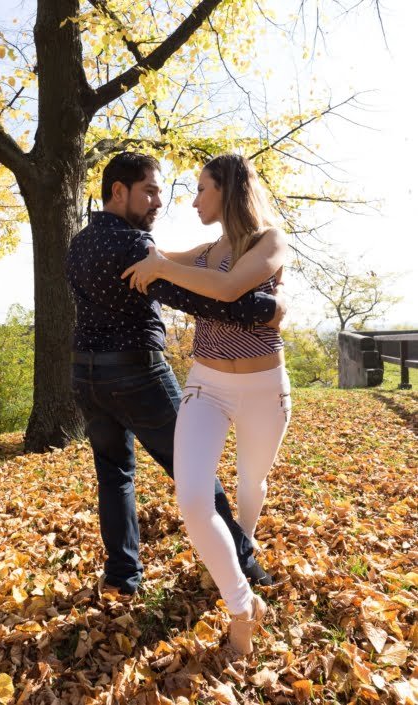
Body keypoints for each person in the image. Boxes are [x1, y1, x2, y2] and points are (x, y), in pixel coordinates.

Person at [66, 152, 287, 599]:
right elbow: (202, 300)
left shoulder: (79, 243)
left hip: (86, 375)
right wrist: (269, 308)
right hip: (136, 375)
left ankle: (121, 578)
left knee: (114, 475)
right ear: (118, 191)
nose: (158, 202)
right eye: (149, 191)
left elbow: (178, 270)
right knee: (195, 476)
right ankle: (245, 565)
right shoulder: (133, 247)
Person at [122, 154, 291, 654]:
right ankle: (242, 607)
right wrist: (138, 254)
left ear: (227, 189)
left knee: (250, 484)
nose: (193, 200)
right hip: (206, 387)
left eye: (201, 189)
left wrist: (162, 268)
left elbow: (229, 287)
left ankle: (243, 543)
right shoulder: (208, 248)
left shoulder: (269, 242)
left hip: (265, 388)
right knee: (193, 500)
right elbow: (161, 259)